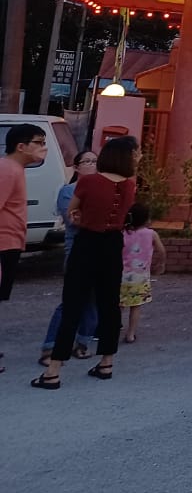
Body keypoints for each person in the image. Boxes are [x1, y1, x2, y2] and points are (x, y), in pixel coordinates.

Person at [32, 135, 136, 389]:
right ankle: (106, 362)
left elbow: (73, 211)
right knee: (109, 304)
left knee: (73, 304)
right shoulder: (130, 185)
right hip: (113, 244)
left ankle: (54, 370)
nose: (138, 156)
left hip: (87, 242)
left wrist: (81, 217)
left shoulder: (89, 182)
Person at [39, 150, 99, 366]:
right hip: (77, 251)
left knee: (93, 301)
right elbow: (74, 219)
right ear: (76, 167)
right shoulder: (69, 191)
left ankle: (82, 342)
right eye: (87, 161)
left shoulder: (104, 189)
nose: (92, 165)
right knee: (71, 301)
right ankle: (50, 347)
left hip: (99, 251)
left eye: (95, 161)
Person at [3, 124, 48, 374]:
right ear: (21, 146)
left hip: (9, 244)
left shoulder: (14, 169)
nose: (44, 148)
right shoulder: (7, 169)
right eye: (39, 142)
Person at [119, 202, 166, 344]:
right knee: (136, 306)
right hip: (140, 277)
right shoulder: (151, 234)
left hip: (121, 276)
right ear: (147, 219)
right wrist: (161, 264)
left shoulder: (122, 233)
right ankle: (131, 334)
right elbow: (161, 251)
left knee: (118, 305)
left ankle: (113, 330)